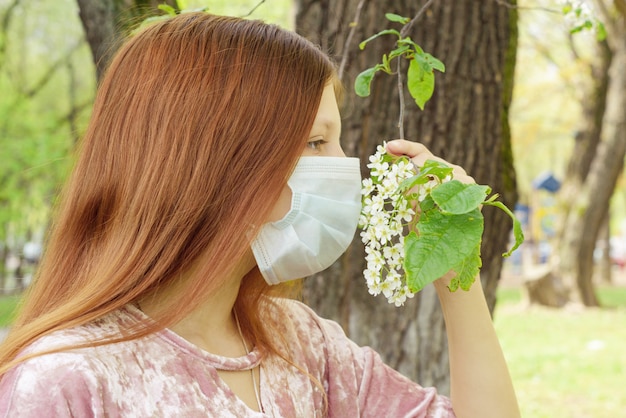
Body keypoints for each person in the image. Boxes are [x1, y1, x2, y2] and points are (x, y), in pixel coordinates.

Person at [0, 12, 520, 418]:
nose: (345, 168)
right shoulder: (67, 380)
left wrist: (454, 267)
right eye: (317, 143)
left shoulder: (301, 344)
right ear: (217, 163)